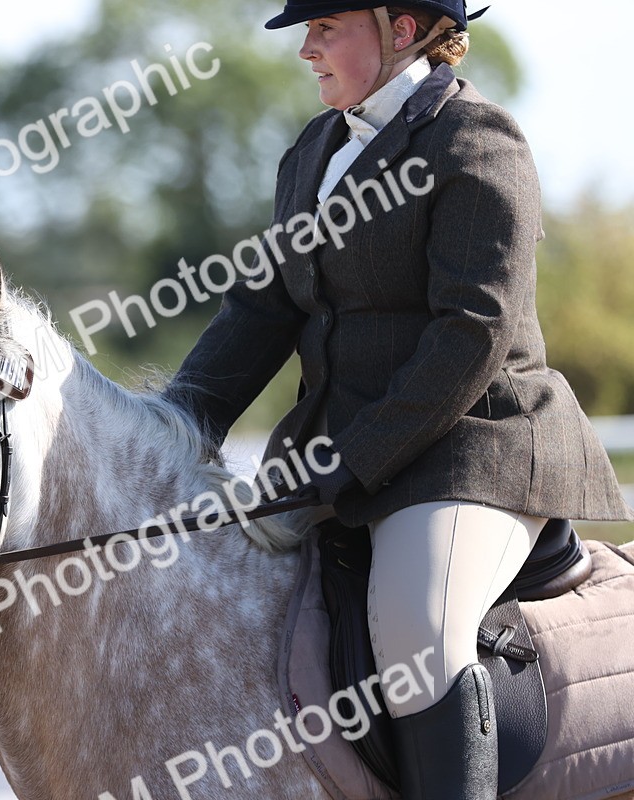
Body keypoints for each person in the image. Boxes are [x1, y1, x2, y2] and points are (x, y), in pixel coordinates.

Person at [164, 1, 634, 798]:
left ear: (401, 30)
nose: (306, 49)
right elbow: (264, 308)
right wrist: (170, 429)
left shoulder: (476, 140)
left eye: (325, 29)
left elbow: (472, 332)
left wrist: (355, 460)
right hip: (334, 455)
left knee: (419, 627)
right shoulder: (313, 151)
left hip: (474, 451)